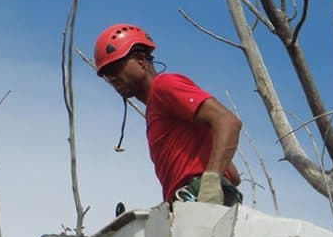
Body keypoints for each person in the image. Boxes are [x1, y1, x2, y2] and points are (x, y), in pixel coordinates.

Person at [94, 23, 244, 206]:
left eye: (115, 68)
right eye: (106, 75)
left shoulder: (164, 86)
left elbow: (227, 122)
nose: (112, 78)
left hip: (200, 205)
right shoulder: (157, 111)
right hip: (185, 204)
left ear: (141, 59)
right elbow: (233, 176)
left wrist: (211, 183)